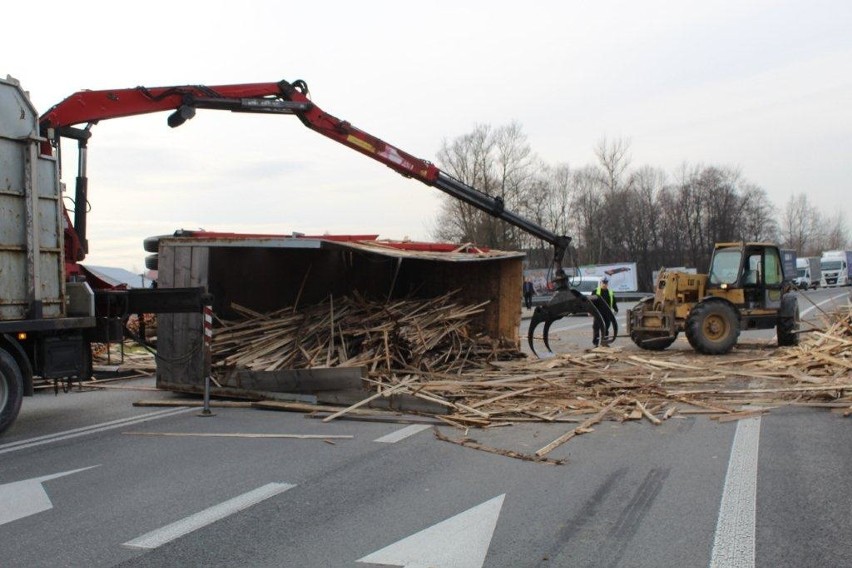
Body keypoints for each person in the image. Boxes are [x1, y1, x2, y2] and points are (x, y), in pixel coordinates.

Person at [592, 277, 618, 346]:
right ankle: (596, 344)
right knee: (596, 328)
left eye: (606, 283)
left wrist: (616, 309)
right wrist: (590, 311)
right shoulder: (595, 291)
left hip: (607, 313)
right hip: (598, 313)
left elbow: (613, 302)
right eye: (603, 283)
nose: (604, 284)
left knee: (606, 328)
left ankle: (604, 343)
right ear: (600, 283)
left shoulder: (610, 292)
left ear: (607, 284)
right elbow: (591, 302)